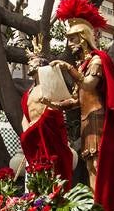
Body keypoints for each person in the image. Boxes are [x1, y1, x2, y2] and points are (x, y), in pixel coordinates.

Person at [51, 0, 114, 211]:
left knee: (98, 165)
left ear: (83, 37)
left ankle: (105, 208)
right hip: (87, 120)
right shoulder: (84, 64)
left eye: (72, 39)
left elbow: (87, 84)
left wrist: (67, 68)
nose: (70, 44)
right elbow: (77, 99)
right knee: (89, 166)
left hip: (98, 117)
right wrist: (55, 104)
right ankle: (99, 208)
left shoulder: (96, 60)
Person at [20, 48, 76, 184]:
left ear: (42, 66)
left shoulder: (49, 85)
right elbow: (25, 117)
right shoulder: (28, 93)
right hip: (33, 136)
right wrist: (27, 132)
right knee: (35, 171)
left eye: (34, 62)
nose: (31, 64)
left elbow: (55, 107)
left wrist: (40, 124)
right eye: (30, 62)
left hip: (48, 132)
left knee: (53, 167)